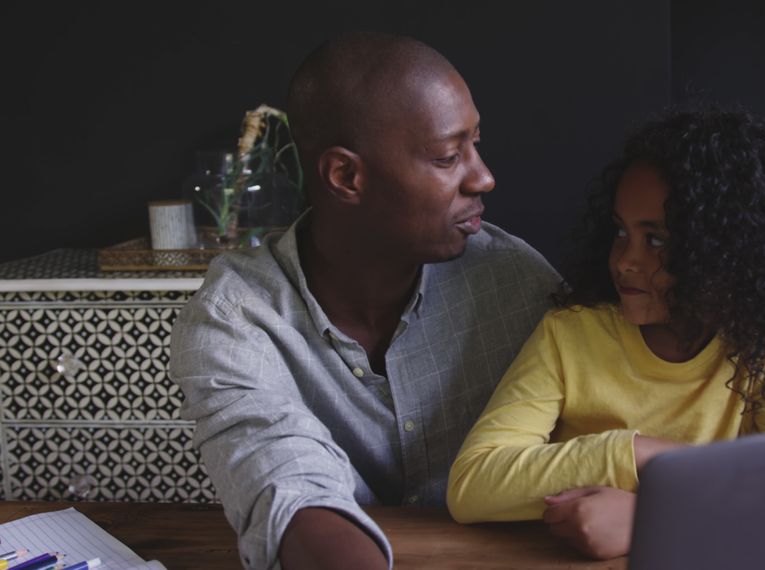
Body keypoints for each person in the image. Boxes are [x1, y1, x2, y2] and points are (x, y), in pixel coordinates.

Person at [169, 32, 561, 570]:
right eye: (449, 156)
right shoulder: (236, 319)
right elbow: (285, 482)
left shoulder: (519, 286)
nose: (484, 176)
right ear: (345, 176)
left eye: (476, 143)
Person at [446, 109, 765, 559]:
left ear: (729, 253)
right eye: (621, 231)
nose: (625, 259)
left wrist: (652, 517)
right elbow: (474, 482)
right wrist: (640, 454)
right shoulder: (570, 335)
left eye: (658, 240)